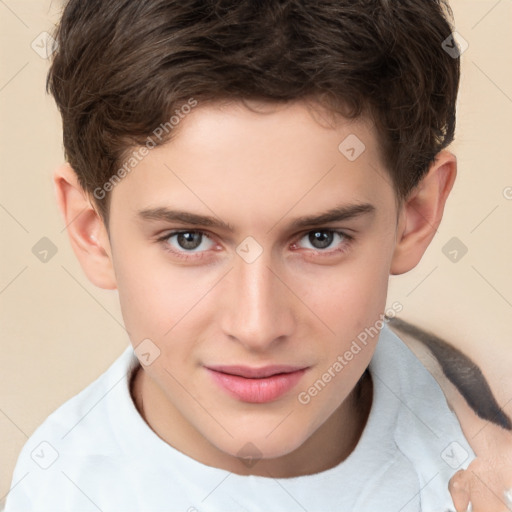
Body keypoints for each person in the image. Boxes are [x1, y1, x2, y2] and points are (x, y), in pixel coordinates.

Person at [3, 1, 511, 511]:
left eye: (320, 239)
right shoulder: (61, 493)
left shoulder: (481, 445)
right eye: (189, 239)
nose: (257, 327)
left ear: (416, 216)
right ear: (93, 232)